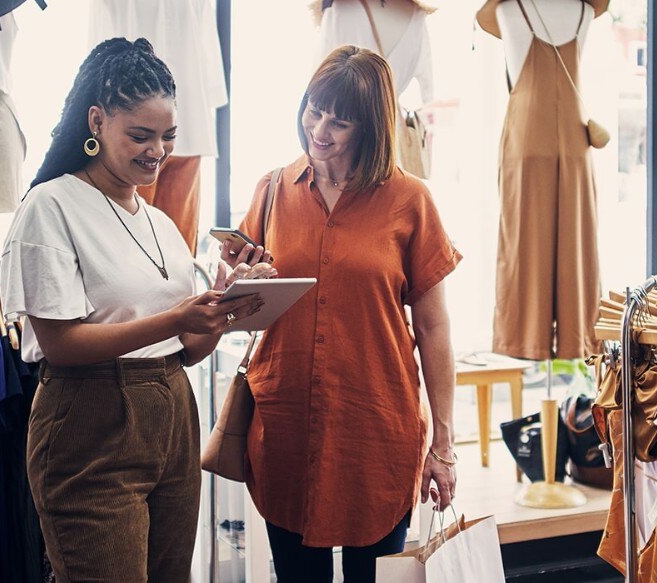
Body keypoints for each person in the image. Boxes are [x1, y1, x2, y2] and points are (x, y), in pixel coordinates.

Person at [0, 38, 270, 582]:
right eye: (140, 136)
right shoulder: (51, 206)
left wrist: (222, 308)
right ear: (96, 122)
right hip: (90, 423)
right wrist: (177, 317)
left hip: (173, 417)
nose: (158, 151)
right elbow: (60, 344)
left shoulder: (162, 224)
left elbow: (186, 350)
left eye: (168, 137)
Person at [222, 45, 461, 583]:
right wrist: (242, 283)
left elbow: (434, 328)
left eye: (341, 119)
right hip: (286, 423)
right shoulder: (273, 190)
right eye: (314, 108)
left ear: (371, 127)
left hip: (375, 430)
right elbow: (238, 308)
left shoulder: (410, 201)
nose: (320, 128)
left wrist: (443, 446)